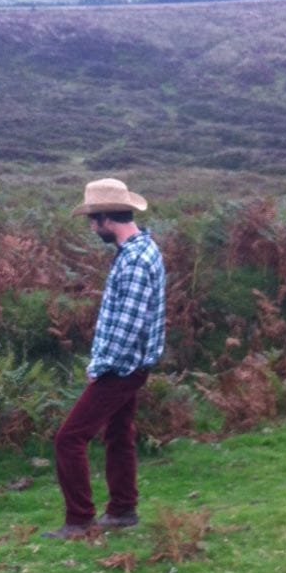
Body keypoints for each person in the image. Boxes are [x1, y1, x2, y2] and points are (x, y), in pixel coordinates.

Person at [43, 178, 166, 540]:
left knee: (69, 439)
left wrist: (100, 367)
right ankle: (123, 510)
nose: (91, 228)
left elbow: (128, 326)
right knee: (118, 434)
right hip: (131, 367)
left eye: (91, 221)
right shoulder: (141, 251)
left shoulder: (134, 262)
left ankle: (79, 520)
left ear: (105, 220)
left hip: (121, 369)